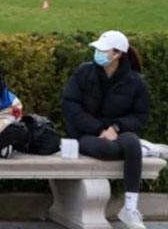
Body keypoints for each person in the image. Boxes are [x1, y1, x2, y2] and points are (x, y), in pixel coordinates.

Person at [62, 30, 150, 229]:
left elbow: (140, 115)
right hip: (86, 133)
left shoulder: (135, 81)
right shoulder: (84, 72)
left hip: (118, 133)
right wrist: (100, 128)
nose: (97, 53)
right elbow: (70, 104)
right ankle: (143, 149)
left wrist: (116, 127)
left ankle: (130, 208)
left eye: (103, 50)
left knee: (130, 142)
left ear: (117, 54)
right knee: (118, 149)